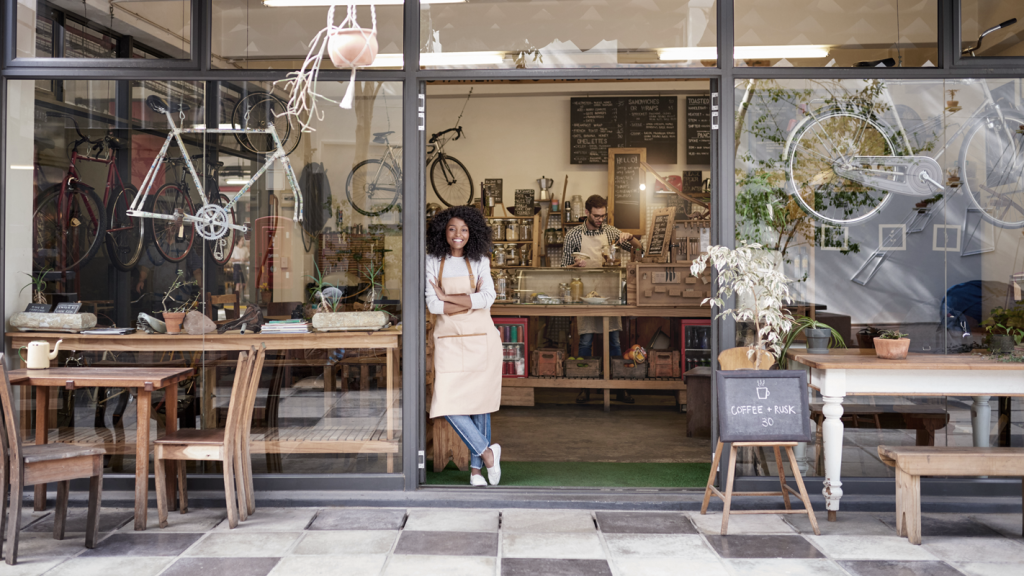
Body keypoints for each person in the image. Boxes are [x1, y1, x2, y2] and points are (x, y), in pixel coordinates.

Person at [426, 206, 503, 486]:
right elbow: (433, 304)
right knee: (446, 402)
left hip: (481, 340)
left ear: (473, 233)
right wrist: (468, 298)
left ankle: (475, 472)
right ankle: (487, 453)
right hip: (449, 342)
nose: (458, 235)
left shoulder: (480, 259)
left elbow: (489, 298)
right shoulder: (432, 260)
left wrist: (448, 296)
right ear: (443, 232)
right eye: (452, 229)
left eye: (464, 230)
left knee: (479, 403)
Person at [561, 194, 642, 404]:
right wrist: (574, 267)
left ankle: (618, 388)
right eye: (596, 216)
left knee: (614, 340)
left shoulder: (610, 231)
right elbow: (562, 268)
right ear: (587, 213)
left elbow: (639, 247)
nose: (600, 220)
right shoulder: (574, 235)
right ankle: (585, 386)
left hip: (609, 293)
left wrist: (629, 236)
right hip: (584, 294)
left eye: (603, 215)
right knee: (586, 340)